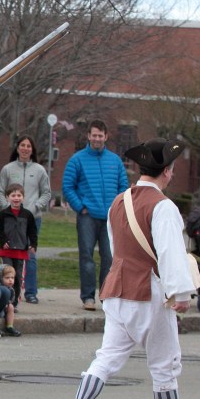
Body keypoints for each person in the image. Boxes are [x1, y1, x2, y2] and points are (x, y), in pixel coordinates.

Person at [58, 138, 200, 399]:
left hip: (116, 289)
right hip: (148, 292)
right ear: (167, 172)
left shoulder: (119, 201)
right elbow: (170, 253)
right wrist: (180, 292)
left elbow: (117, 249)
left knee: (106, 358)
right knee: (165, 363)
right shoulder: (163, 206)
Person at [62, 119, 129, 311]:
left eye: (100, 135)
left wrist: (117, 209)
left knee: (109, 258)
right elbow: (68, 186)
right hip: (87, 217)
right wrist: (80, 207)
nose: (97, 138)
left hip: (109, 218)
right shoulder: (77, 159)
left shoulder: (115, 161)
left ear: (106, 136)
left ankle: (106, 296)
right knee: (87, 257)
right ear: (88, 136)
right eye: (94, 135)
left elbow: (123, 187)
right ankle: (88, 297)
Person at [0, 135, 51, 304]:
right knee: (10, 255)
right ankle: (9, 293)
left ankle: (31, 292)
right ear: (17, 148)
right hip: (10, 219)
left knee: (30, 255)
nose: (25, 148)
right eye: (22, 145)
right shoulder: (8, 169)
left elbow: (47, 193)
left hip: (31, 219)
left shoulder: (39, 170)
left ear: (32, 149)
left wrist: (33, 208)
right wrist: (7, 208)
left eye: (28, 145)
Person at [0, 183, 37, 317]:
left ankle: (14, 303)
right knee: (5, 276)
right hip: (6, 251)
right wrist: (3, 241)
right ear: (7, 197)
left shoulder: (27, 215)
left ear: (23, 197)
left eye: (19, 195)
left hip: (21, 252)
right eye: (13, 195)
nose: (16, 198)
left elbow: (32, 231)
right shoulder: (3, 214)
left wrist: (33, 244)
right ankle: (3, 302)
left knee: (17, 277)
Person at [0, 263, 19, 337]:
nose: (10, 280)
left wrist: (8, 304)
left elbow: (11, 299)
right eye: (7, 278)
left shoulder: (11, 289)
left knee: (11, 307)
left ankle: (9, 326)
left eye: (12, 278)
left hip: (4, 307)